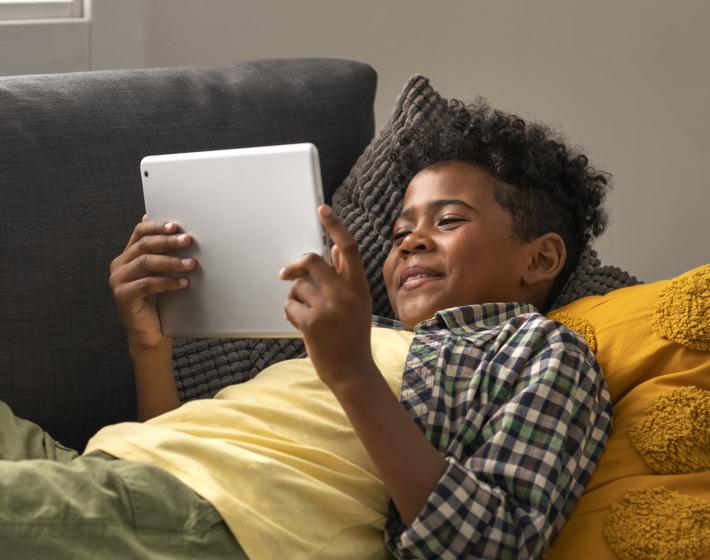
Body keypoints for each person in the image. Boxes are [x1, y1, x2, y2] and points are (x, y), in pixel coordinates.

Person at [0, 98, 613, 559]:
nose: (411, 241)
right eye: (399, 233)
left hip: (217, 521)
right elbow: (178, 446)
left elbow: (490, 547)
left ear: (541, 258)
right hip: (103, 467)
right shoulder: (355, 330)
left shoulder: (540, 352)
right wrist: (149, 346)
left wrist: (350, 369)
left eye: (447, 220)